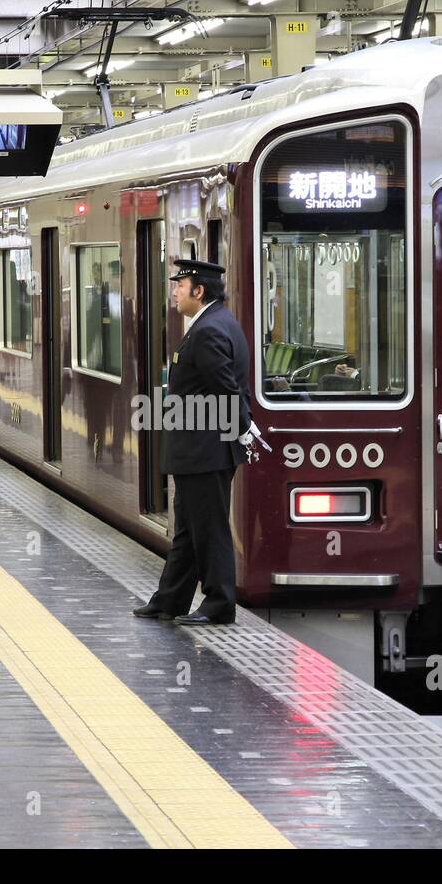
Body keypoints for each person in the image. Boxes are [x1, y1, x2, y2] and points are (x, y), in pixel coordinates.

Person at [133, 259, 251, 627]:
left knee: (210, 528)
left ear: (198, 291)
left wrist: (246, 430)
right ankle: (169, 599)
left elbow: (226, 391)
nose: (175, 291)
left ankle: (219, 603)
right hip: (199, 451)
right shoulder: (214, 323)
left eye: (180, 285)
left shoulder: (208, 331)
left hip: (206, 450)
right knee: (187, 529)